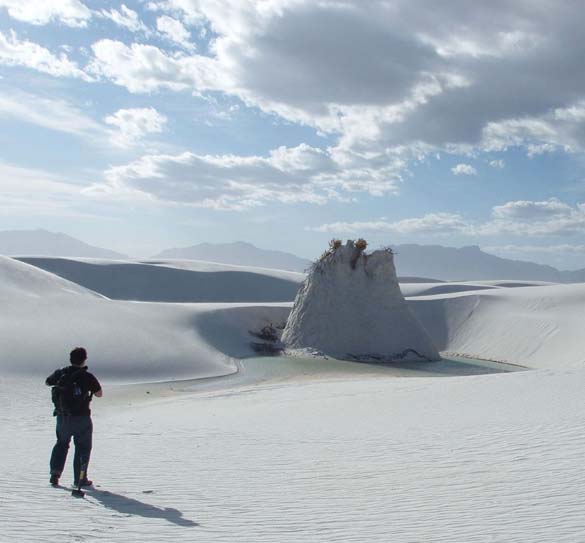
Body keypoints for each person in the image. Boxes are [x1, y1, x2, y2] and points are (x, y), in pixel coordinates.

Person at [46, 347, 102, 487]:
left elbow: (48, 382)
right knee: (83, 448)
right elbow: (99, 393)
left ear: (70, 359)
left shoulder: (61, 373)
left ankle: (55, 474)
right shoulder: (87, 376)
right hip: (82, 418)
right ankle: (80, 479)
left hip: (63, 417)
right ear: (84, 360)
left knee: (61, 444)